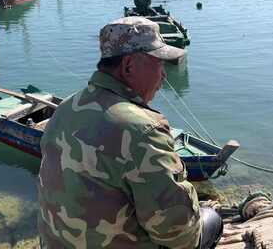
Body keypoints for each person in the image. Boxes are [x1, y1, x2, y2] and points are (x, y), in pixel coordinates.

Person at [38, 17, 223, 248]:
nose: (164, 76)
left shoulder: (65, 108)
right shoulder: (142, 129)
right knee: (212, 220)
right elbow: (180, 235)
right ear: (129, 66)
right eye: (159, 64)